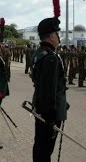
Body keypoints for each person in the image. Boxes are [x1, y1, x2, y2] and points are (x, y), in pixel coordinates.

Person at [31, 17, 70, 162]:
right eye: (58, 34)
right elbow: (49, 90)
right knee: (45, 150)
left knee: (40, 146)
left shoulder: (39, 53)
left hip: (41, 107)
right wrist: (51, 116)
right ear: (52, 36)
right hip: (49, 113)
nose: (59, 38)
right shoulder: (51, 58)